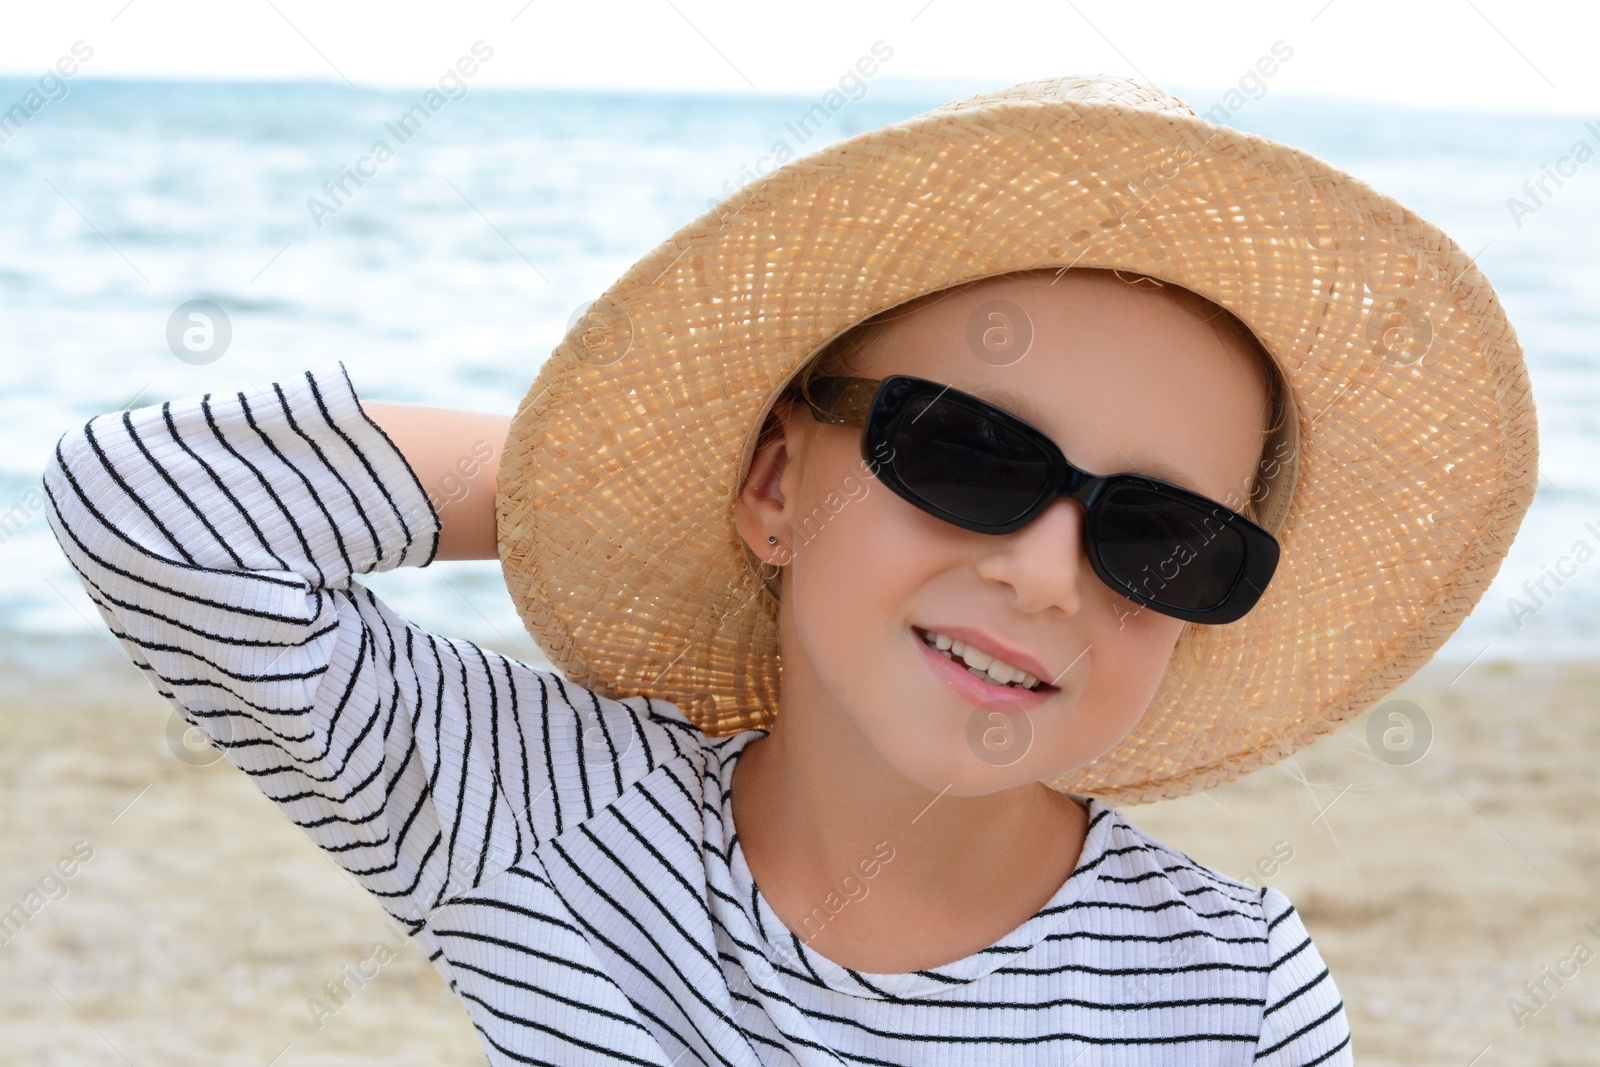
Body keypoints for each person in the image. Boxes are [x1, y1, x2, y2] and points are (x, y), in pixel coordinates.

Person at [41, 75, 1537, 1065]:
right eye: (964, 454)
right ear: (773, 481)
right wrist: (586, 470)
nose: (1043, 571)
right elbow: (155, 511)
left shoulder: (1229, 993)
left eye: (1164, 537)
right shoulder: (553, 819)